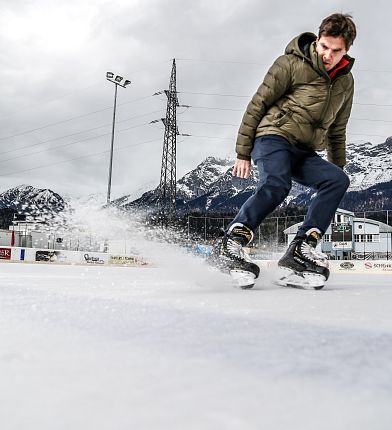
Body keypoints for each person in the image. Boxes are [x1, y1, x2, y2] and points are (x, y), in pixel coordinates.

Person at [216, 13, 357, 289]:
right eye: (323, 46)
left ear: (347, 50)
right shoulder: (290, 64)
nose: (327, 54)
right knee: (277, 184)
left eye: (335, 50)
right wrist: (243, 152)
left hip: (303, 150)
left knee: (337, 180)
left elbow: (337, 130)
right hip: (273, 137)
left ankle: (299, 252)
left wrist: (335, 167)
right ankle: (231, 242)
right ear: (317, 40)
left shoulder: (345, 83)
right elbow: (257, 104)